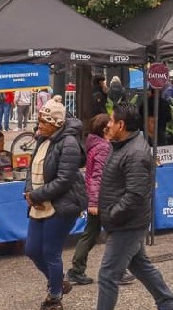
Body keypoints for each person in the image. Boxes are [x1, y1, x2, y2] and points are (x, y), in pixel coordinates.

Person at [96, 104, 173, 310]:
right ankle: (168, 303)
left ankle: (167, 303)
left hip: (127, 224)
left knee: (107, 275)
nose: (108, 125)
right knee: (141, 266)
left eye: (111, 121)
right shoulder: (122, 146)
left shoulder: (136, 153)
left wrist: (111, 214)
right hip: (124, 222)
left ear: (121, 125)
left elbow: (135, 195)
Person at [25, 99, 87, 310]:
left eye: (44, 121)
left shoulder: (69, 143)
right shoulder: (42, 139)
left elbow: (64, 180)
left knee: (51, 252)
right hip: (39, 202)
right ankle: (58, 281)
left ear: (56, 124)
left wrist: (37, 195)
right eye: (40, 120)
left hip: (62, 204)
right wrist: (29, 191)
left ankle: (54, 297)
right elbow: (31, 168)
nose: (40, 125)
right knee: (32, 249)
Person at [68, 114, 118, 287]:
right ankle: (117, 270)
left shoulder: (95, 145)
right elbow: (98, 176)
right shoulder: (103, 148)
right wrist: (94, 202)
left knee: (91, 233)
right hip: (103, 198)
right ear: (105, 129)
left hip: (98, 197)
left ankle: (77, 269)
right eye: (110, 122)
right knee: (115, 234)